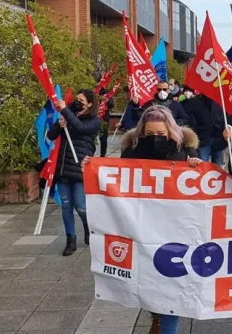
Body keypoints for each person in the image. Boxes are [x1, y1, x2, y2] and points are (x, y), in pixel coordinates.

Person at [85, 105, 202, 334]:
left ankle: (165, 323)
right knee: (150, 284)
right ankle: (156, 316)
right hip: (142, 231)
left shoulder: (185, 151)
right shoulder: (132, 152)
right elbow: (113, 178)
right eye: (150, 135)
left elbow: (200, 188)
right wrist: (91, 168)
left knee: (171, 289)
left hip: (174, 231)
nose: (156, 139)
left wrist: (196, 168)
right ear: (142, 133)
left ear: (171, 131)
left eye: (161, 134)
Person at [48, 89, 101, 256]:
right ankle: (70, 240)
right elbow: (51, 135)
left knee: (81, 205)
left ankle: (88, 226)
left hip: (80, 168)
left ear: (90, 104)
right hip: (63, 167)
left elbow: (80, 128)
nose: (78, 102)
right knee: (66, 207)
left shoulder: (94, 121)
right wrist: (60, 123)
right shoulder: (68, 115)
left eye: (82, 100)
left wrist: (65, 111)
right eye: (76, 99)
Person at [183, 93, 226, 166]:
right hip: (203, 139)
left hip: (218, 139)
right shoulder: (194, 102)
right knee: (202, 166)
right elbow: (191, 121)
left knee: (218, 167)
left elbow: (223, 117)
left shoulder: (220, 100)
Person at [97, 88, 115, 157]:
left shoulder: (107, 94)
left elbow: (111, 105)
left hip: (104, 119)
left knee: (103, 137)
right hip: (93, 118)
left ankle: (103, 154)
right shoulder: (95, 91)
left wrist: (107, 101)